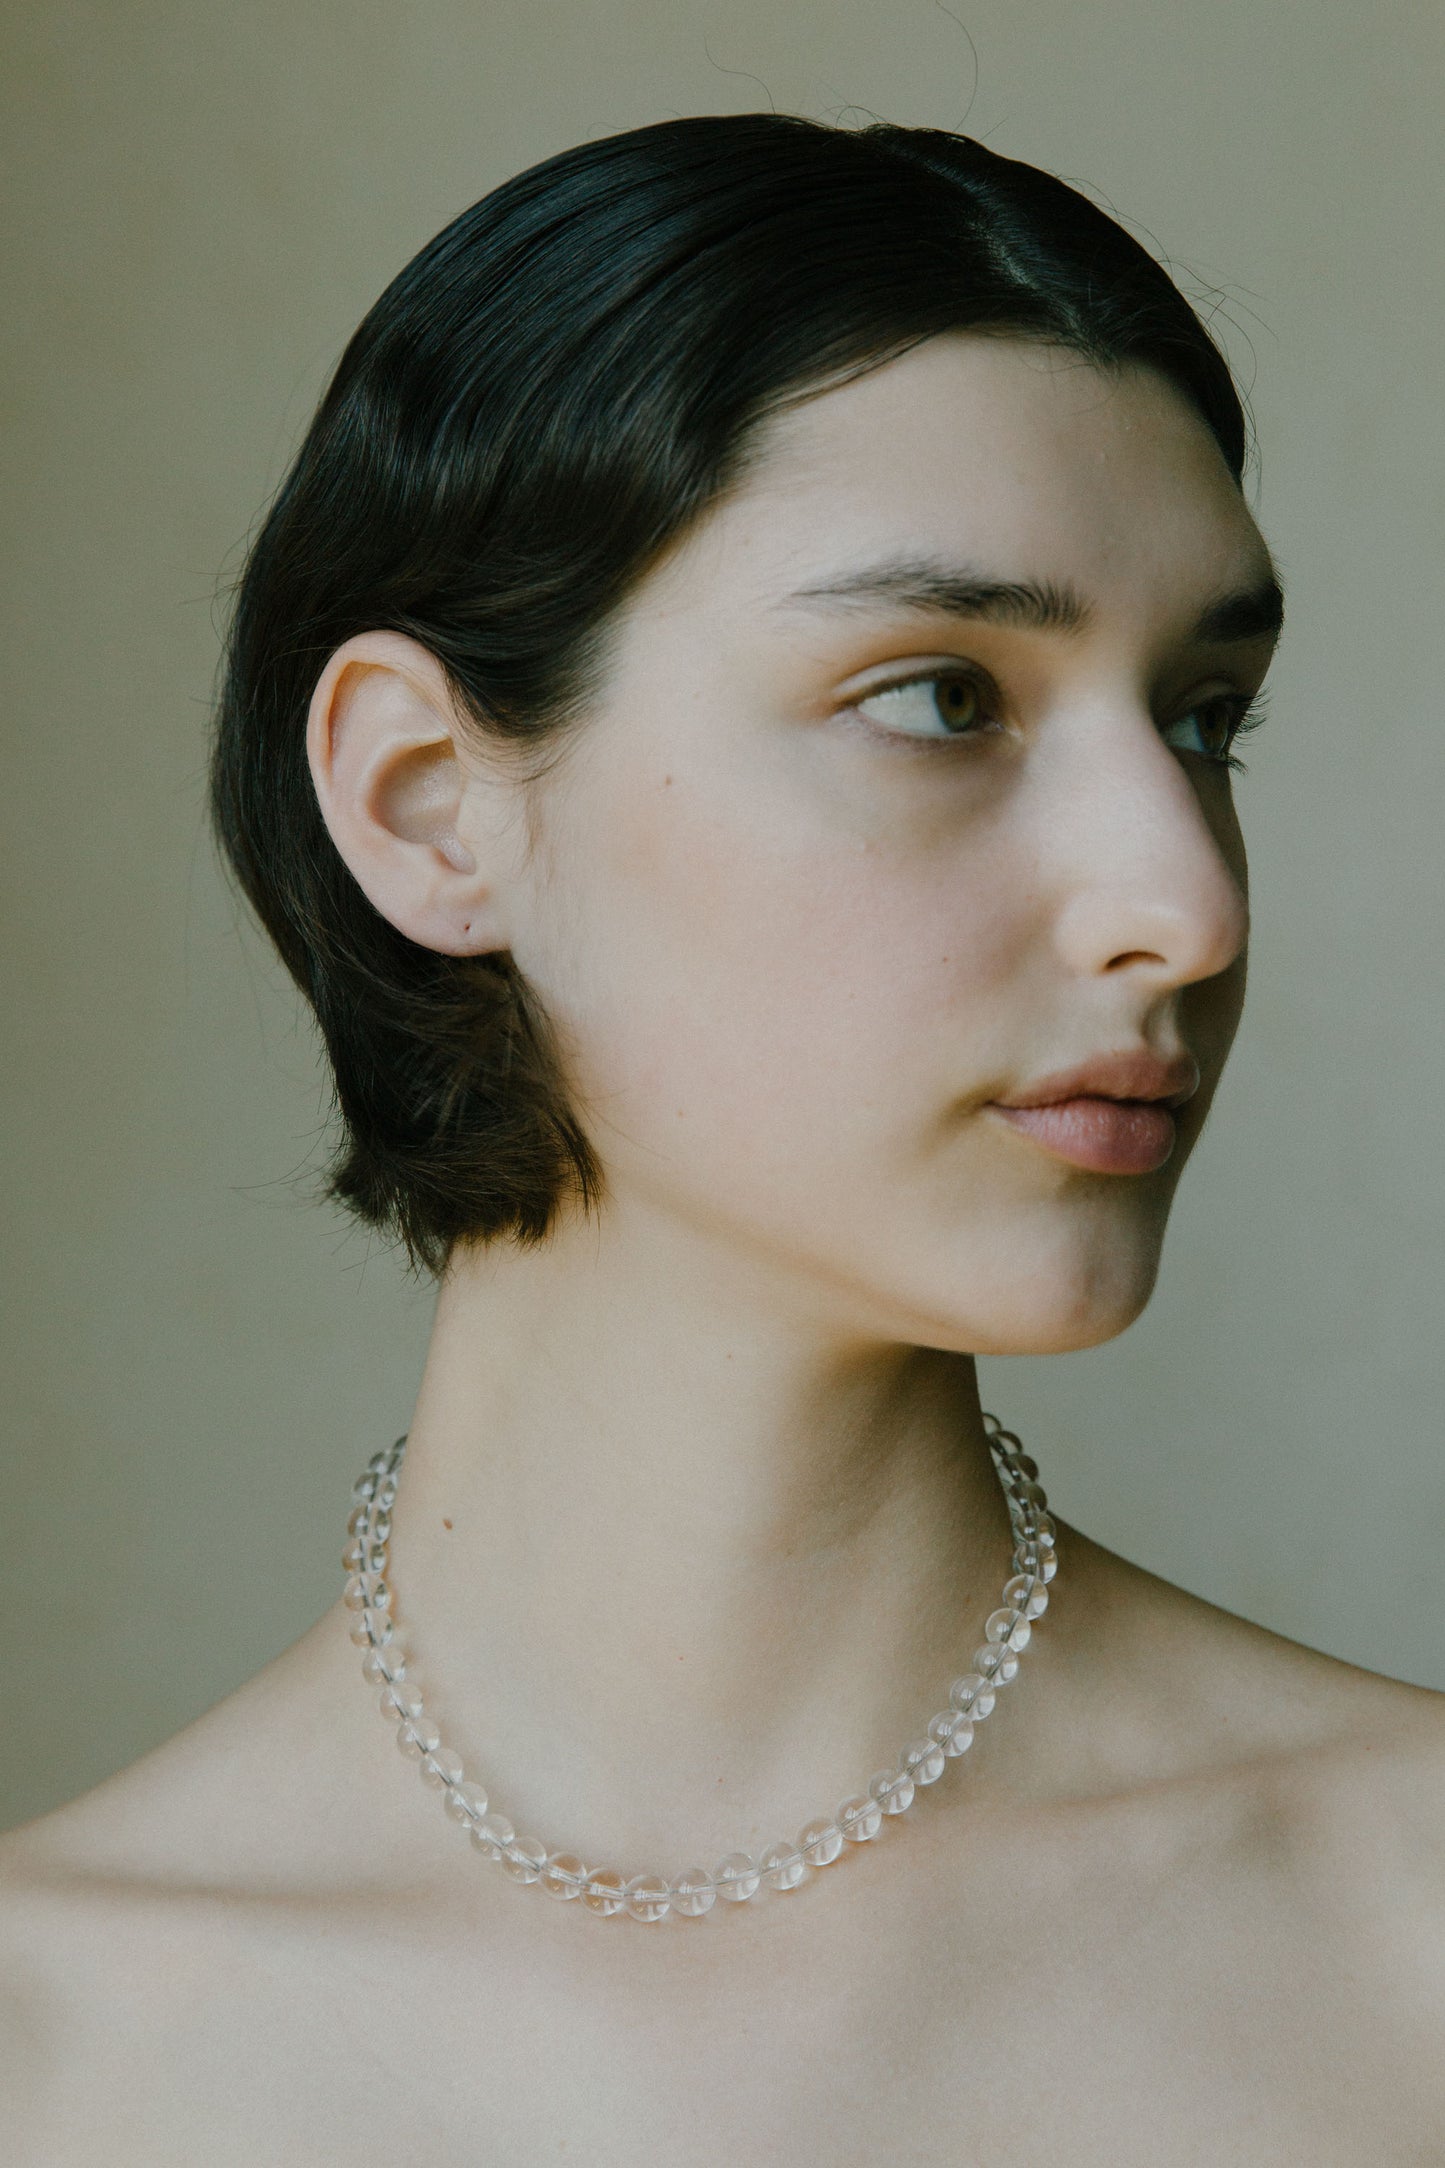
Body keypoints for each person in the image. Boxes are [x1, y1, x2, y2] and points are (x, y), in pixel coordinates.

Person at [3, 112, 1441, 2163]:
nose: (1185, 905)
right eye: (943, 697)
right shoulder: (50, 2047)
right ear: (426, 803)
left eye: (1206, 718)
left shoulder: (1406, 1924)